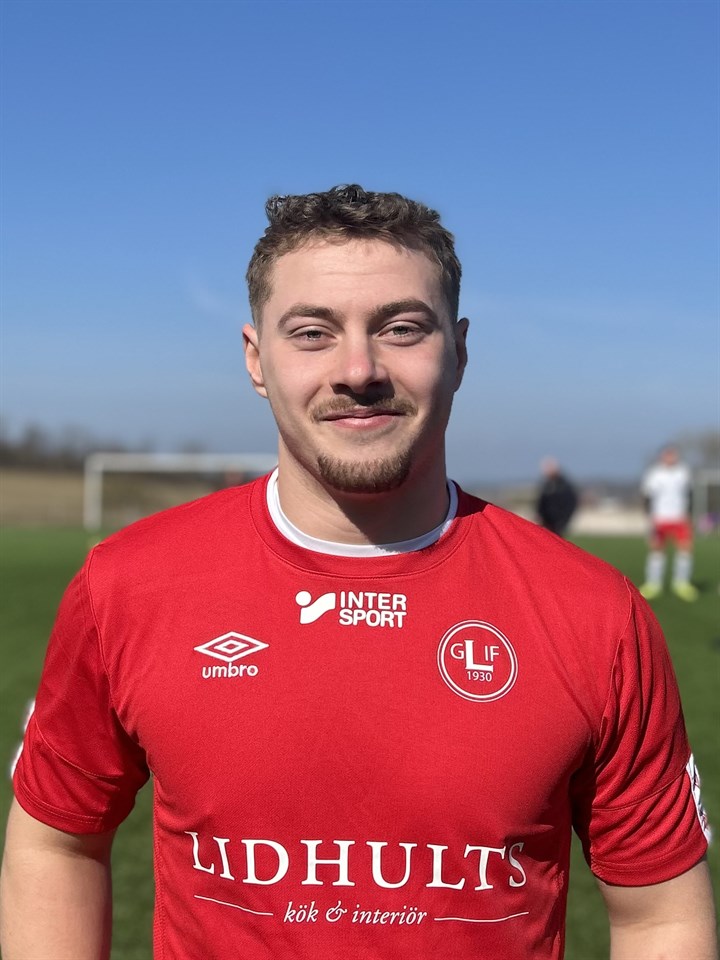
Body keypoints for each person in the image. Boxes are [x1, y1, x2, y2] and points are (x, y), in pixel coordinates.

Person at [1, 186, 716, 960]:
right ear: (256, 359)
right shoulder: (126, 586)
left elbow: (659, 916)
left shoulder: (596, 615)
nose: (358, 369)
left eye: (401, 328)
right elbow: (56, 843)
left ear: (460, 350)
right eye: (312, 332)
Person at [639, 445, 699, 601]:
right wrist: (649, 518)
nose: (670, 457)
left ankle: (681, 583)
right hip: (659, 519)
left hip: (680, 518)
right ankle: (653, 584)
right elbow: (647, 497)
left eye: (673, 455)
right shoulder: (654, 474)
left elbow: (690, 495)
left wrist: (689, 515)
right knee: (657, 550)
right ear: (662, 456)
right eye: (668, 455)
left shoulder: (684, 472)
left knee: (685, 549)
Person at [535, 456, 578, 537]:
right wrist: (540, 516)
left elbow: (570, 504)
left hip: (558, 525)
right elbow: (541, 503)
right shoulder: (547, 485)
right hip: (547, 524)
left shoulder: (563, 485)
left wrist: (562, 522)